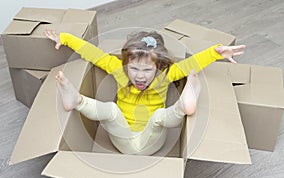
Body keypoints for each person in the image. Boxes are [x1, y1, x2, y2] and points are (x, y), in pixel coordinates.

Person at [44, 29, 245, 155]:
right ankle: (76, 101)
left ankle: (183, 106)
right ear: (125, 65)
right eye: (134, 69)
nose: (140, 76)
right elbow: (94, 54)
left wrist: (215, 52)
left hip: (153, 140)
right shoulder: (118, 70)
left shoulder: (165, 75)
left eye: (147, 70)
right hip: (121, 137)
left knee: (158, 116)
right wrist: (66, 38)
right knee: (112, 111)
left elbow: (190, 64)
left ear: (158, 67)